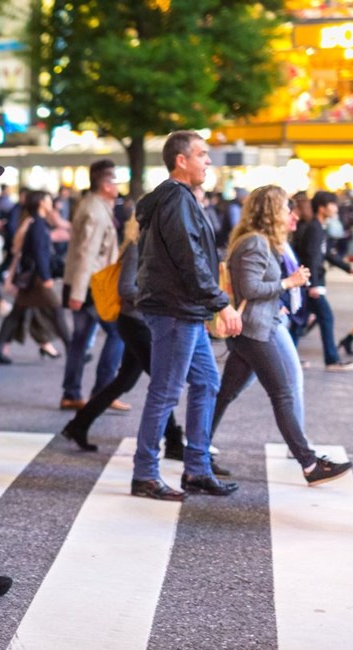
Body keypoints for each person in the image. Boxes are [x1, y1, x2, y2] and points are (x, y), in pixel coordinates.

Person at [210, 185, 353, 485]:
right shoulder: (255, 243)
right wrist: (289, 283)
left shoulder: (261, 242)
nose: (293, 214)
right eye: (287, 209)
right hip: (255, 330)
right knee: (283, 393)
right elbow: (250, 289)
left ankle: (196, 447)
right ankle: (309, 463)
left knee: (227, 393)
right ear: (272, 212)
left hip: (257, 326)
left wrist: (281, 301)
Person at [131, 130, 240, 501]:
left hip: (183, 309)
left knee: (207, 383)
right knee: (165, 391)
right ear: (182, 160)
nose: (208, 161)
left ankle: (196, 469)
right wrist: (220, 302)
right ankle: (145, 473)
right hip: (177, 309)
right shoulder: (176, 199)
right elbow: (189, 257)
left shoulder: (176, 198)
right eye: (202, 155)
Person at [60, 212, 196, 465]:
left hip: (141, 322)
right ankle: (174, 442)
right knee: (162, 382)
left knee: (124, 381)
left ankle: (78, 424)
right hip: (136, 323)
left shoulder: (154, 246)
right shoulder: (137, 246)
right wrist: (160, 299)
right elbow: (126, 289)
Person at [60, 159, 125, 411]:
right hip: (92, 286)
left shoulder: (93, 206)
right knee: (117, 333)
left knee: (80, 339)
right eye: (116, 181)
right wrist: (77, 293)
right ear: (106, 184)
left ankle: (73, 393)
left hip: (87, 284)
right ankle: (103, 392)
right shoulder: (95, 212)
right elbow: (85, 254)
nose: (118, 186)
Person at [0, 189, 69, 364]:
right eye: (48, 200)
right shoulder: (38, 224)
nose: (50, 203)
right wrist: (46, 276)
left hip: (31, 280)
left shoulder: (36, 223)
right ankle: (74, 349)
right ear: (41, 203)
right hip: (37, 280)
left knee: (17, 314)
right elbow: (40, 253)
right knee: (57, 311)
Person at [291, 191, 353, 371]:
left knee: (300, 323)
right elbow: (311, 257)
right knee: (325, 317)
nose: (335, 208)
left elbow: (325, 254)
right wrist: (313, 285)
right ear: (321, 208)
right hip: (311, 284)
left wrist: (348, 268)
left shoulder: (320, 227)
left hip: (310, 283)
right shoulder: (314, 229)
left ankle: (287, 357)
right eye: (332, 204)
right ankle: (332, 360)